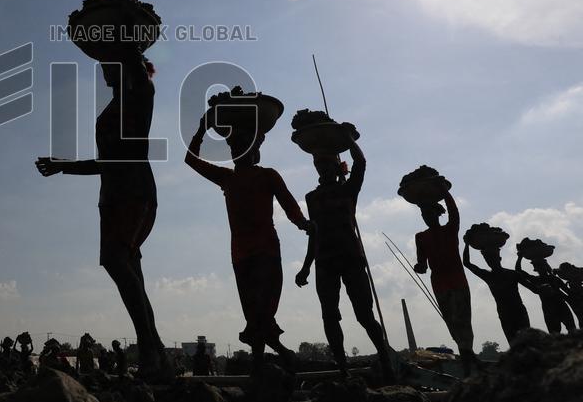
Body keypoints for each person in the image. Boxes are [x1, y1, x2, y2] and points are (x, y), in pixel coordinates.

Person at [36, 0, 168, 380]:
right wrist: (63, 166)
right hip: (112, 194)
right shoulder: (114, 107)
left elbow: (128, 53)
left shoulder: (140, 93)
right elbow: (106, 163)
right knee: (131, 271)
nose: (104, 69)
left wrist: (122, 10)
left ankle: (151, 350)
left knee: (115, 260)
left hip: (133, 191)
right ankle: (156, 354)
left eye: (110, 62)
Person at [186, 106, 310, 372]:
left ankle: (269, 359)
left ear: (254, 151)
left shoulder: (267, 175)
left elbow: (289, 205)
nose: (236, 152)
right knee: (254, 312)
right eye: (233, 147)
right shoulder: (227, 178)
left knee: (262, 310)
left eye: (241, 146)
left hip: (265, 251)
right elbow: (191, 159)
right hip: (243, 256)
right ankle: (272, 359)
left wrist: (303, 224)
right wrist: (201, 130)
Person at [296, 135, 393, 379]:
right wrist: (306, 267)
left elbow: (361, 162)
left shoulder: (348, 189)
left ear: (336, 166)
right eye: (319, 165)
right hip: (325, 262)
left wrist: (346, 139)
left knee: (365, 315)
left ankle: (386, 360)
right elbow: (314, 233)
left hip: (351, 258)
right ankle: (343, 370)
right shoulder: (312, 198)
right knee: (329, 315)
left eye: (327, 164)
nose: (323, 169)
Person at [413, 192, 478, 375]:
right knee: (452, 323)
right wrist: (419, 267)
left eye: (430, 214)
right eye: (424, 215)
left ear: (437, 214)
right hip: (439, 284)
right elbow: (422, 264)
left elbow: (454, 211)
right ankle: (468, 357)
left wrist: (444, 192)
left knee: (462, 320)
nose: (427, 218)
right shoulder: (421, 237)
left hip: (457, 281)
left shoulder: (450, 229)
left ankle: (467, 360)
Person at [462, 229, 531, 345]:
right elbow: (467, 263)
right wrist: (467, 244)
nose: (490, 261)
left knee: (527, 342)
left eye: (492, 257)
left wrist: (543, 288)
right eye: (487, 259)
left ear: (499, 258)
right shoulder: (488, 276)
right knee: (514, 343)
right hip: (505, 314)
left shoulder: (512, 274)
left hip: (519, 312)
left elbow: (533, 288)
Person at [515, 248, 577, 334]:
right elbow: (519, 271)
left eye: (541, 265)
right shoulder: (537, 280)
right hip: (550, 309)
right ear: (536, 269)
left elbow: (569, 292)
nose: (540, 268)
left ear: (545, 267)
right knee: (556, 333)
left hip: (559, 307)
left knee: (571, 330)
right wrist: (519, 258)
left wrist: (575, 287)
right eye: (538, 266)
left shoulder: (552, 279)